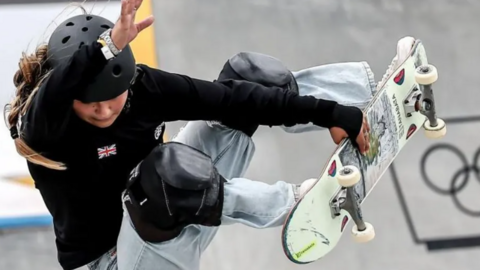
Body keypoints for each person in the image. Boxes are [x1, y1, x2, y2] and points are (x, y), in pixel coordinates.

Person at [2, 0, 415, 269]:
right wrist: (106, 47)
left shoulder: (145, 89)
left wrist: (330, 113)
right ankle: (292, 205)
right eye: (92, 105)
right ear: (69, 95)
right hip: (115, 260)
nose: (107, 109)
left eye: (115, 97)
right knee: (160, 176)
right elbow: (52, 96)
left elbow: (229, 100)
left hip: (170, 219)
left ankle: (360, 99)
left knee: (248, 80)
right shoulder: (45, 129)